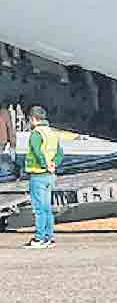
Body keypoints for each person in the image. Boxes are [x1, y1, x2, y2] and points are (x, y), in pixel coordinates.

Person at [21, 106, 62, 249]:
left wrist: (44, 165)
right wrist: (53, 165)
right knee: (47, 208)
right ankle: (49, 238)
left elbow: (38, 153)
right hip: (50, 176)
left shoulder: (36, 134)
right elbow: (60, 153)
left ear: (33, 119)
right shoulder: (51, 133)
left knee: (39, 209)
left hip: (38, 175)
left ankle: (39, 238)